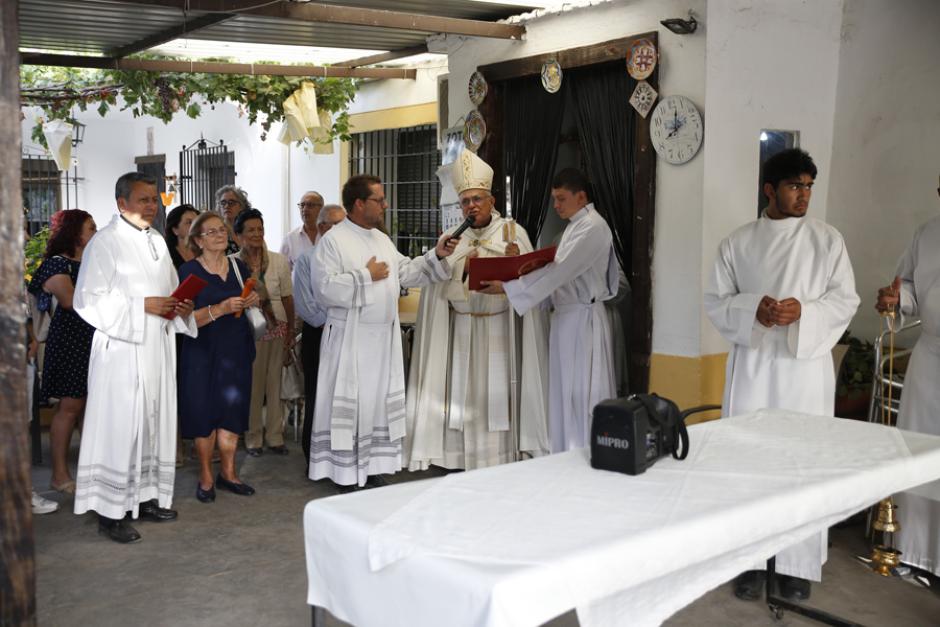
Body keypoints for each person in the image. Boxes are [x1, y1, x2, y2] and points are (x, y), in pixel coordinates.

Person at [704, 148, 860, 601]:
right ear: (770, 190)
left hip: (803, 369)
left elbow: (844, 300)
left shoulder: (828, 240)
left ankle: (796, 564)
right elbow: (716, 299)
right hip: (753, 366)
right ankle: (749, 560)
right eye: (795, 186)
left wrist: (805, 312)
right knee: (748, 463)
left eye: (809, 186)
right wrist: (755, 308)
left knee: (802, 462)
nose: (804, 195)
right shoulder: (737, 242)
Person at [308, 174, 456, 488]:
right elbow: (324, 289)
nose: (385, 205)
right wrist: (365, 276)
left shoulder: (381, 238)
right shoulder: (333, 241)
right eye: (379, 199)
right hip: (350, 338)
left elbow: (405, 271)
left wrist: (437, 255)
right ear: (359, 203)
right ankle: (345, 472)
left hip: (381, 340)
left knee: (375, 404)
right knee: (352, 403)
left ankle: (372, 464)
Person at [405, 149, 550, 470]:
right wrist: (461, 267)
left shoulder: (514, 234)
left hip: (499, 327)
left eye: (477, 199)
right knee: (464, 395)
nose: (471, 206)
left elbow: (533, 285)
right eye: (465, 201)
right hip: (462, 327)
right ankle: (459, 457)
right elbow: (437, 284)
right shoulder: (452, 239)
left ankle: (500, 457)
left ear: (492, 201)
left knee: (496, 395)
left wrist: (519, 268)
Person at [73, 172, 197, 543]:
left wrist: (181, 304)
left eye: (154, 200)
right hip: (122, 350)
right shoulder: (105, 243)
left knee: (151, 423)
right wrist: (141, 305)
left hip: (156, 347)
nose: (152, 206)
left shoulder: (157, 240)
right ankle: (111, 512)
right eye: (143, 199)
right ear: (121, 203)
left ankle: (143, 497)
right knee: (121, 426)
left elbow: (169, 289)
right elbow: (88, 299)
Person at [478, 168, 618, 453]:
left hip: (583, 320)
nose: (556, 206)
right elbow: (556, 275)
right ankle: (565, 449)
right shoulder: (572, 228)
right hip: (566, 318)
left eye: (561, 199)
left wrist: (509, 287)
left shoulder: (593, 227)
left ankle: (588, 449)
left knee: (581, 391)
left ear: (581, 197)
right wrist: (521, 269)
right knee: (562, 389)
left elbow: (560, 271)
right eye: (554, 199)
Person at [874, 174, 940, 578]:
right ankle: (916, 554)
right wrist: (897, 298)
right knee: (920, 454)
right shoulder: (928, 233)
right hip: (931, 361)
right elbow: (912, 288)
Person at [178, 212, 259, 502]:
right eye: (211, 232)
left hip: (235, 350)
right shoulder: (189, 272)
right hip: (201, 352)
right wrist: (221, 308)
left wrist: (251, 299)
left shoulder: (238, 266)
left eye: (222, 230)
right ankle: (206, 476)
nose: (220, 235)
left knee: (232, 411)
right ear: (198, 240)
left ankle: (229, 473)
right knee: (203, 413)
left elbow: (253, 295)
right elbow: (184, 320)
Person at [27, 209, 97, 495]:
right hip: (70, 342)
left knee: (88, 408)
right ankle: (59, 473)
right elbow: (69, 301)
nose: (96, 232)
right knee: (69, 408)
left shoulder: (92, 261)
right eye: (91, 228)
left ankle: (91, 470)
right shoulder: (56, 264)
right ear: (74, 232)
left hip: (92, 340)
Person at [234, 209, 295, 456]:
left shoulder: (278, 260)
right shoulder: (233, 264)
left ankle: (275, 436)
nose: (257, 234)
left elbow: (288, 297)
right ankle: (253, 438)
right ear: (238, 236)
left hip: (277, 327)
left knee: (274, 384)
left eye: (260, 229)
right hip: (249, 331)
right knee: (254, 386)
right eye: (251, 230)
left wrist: (290, 330)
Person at [294, 203, 346, 465]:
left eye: (344, 224)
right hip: (319, 334)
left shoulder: (350, 258)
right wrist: (337, 319)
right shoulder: (307, 259)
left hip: (348, 335)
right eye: (335, 225)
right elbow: (306, 306)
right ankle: (314, 456)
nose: (341, 230)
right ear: (322, 227)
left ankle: (342, 455)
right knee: (318, 395)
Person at [280, 191, 323, 268]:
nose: (305, 209)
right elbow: (282, 271)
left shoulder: (329, 235)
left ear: (322, 208)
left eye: (310, 205)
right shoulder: (290, 238)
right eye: (302, 205)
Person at [215, 184, 250, 254]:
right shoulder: (216, 231)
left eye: (231, 202)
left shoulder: (249, 229)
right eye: (223, 203)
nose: (227, 206)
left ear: (242, 206)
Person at [165, 204, 199, 270]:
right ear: (175, 230)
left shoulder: (204, 251)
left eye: (197, 222)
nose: (195, 226)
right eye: (189, 222)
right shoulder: (167, 256)